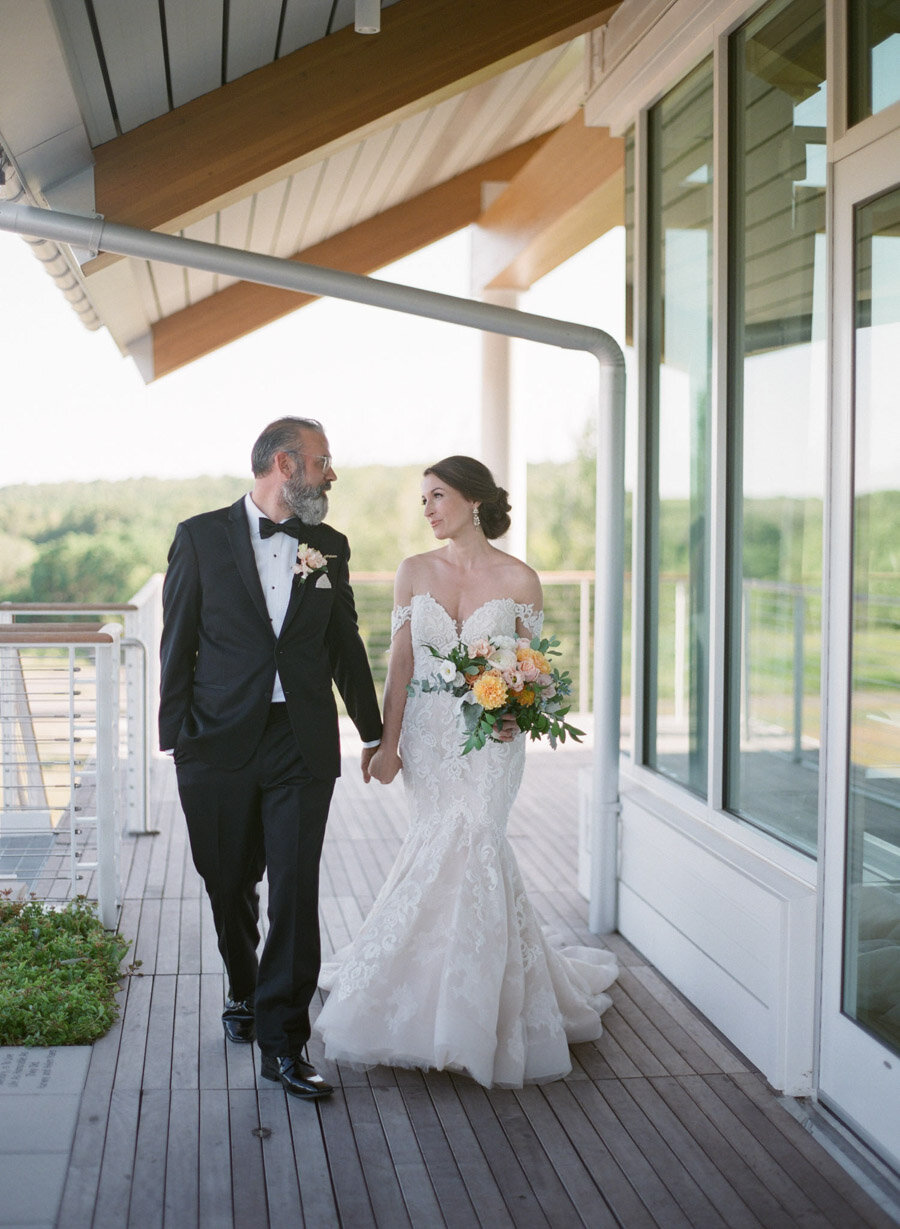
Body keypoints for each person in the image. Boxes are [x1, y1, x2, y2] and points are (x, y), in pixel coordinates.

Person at [315, 456, 617, 1087]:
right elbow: (399, 665)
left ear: (473, 501)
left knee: (475, 839)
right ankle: (424, 994)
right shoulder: (412, 572)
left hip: (490, 743)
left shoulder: (520, 579)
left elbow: (535, 673)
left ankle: (474, 1010)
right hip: (427, 737)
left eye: (437, 496)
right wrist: (385, 743)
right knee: (438, 842)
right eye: (422, 499)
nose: (426, 509)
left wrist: (521, 713)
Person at [159, 417, 382, 1100]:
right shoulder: (199, 537)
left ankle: (284, 1042)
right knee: (229, 882)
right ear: (285, 465)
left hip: (301, 740)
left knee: (294, 888)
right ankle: (244, 984)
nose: (331, 473)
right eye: (323, 461)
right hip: (217, 741)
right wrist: (179, 738)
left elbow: (344, 641)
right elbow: (178, 641)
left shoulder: (329, 546)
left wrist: (374, 732)